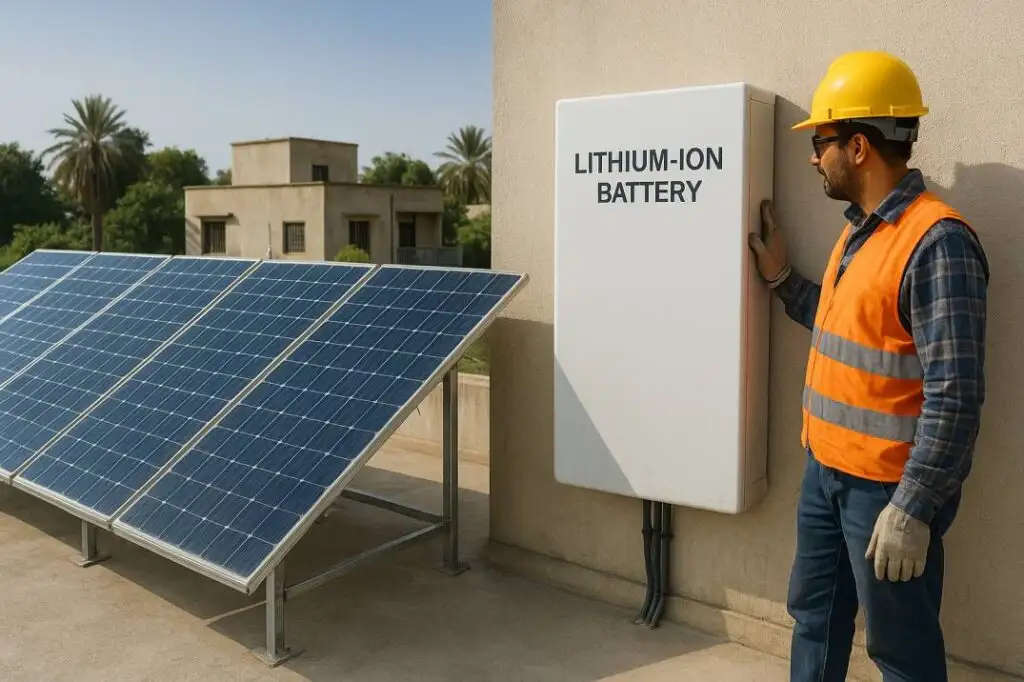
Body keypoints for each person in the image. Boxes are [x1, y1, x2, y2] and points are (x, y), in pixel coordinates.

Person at [748, 51, 989, 682]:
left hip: (885, 493)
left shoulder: (937, 242)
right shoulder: (862, 230)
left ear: (858, 147)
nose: (812, 158)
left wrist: (913, 507)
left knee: (901, 653)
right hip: (825, 475)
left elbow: (956, 396)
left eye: (820, 142)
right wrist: (781, 279)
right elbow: (846, 328)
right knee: (813, 621)